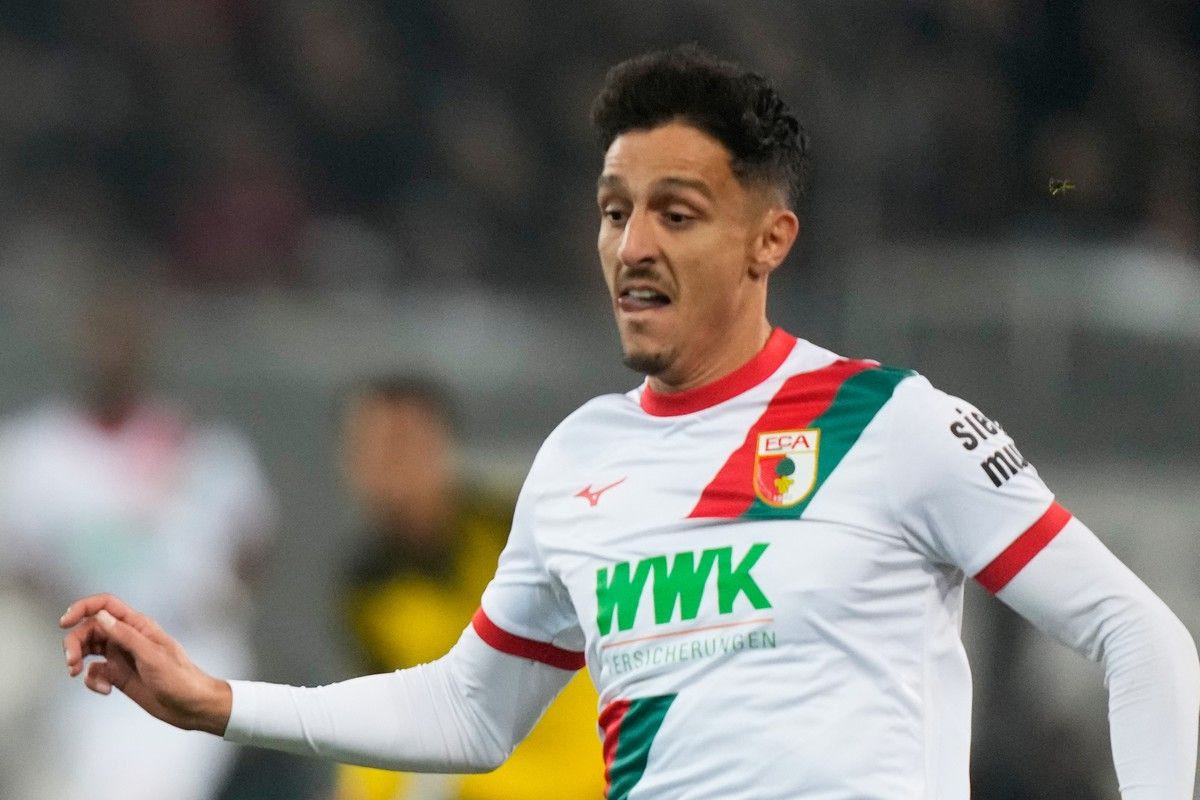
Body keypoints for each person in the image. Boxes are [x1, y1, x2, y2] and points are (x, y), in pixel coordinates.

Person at [60, 46, 1199, 799]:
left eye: (677, 212)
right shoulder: (580, 459)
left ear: (769, 240)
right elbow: (471, 708)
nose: (632, 244)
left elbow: (1139, 636)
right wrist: (218, 702)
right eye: (615, 211)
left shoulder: (888, 422)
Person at [0, 292, 275, 800]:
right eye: (102, 338)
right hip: (71, 663)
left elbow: (251, 540)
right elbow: (18, 570)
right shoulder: (31, 452)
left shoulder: (196, 450)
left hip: (181, 650)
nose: (112, 353)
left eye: (122, 340)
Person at [333, 377, 601, 799]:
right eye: (371, 447)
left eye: (404, 445)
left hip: (587, 759)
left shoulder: (513, 529)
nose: (390, 465)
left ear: (442, 448)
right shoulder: (368, 584)